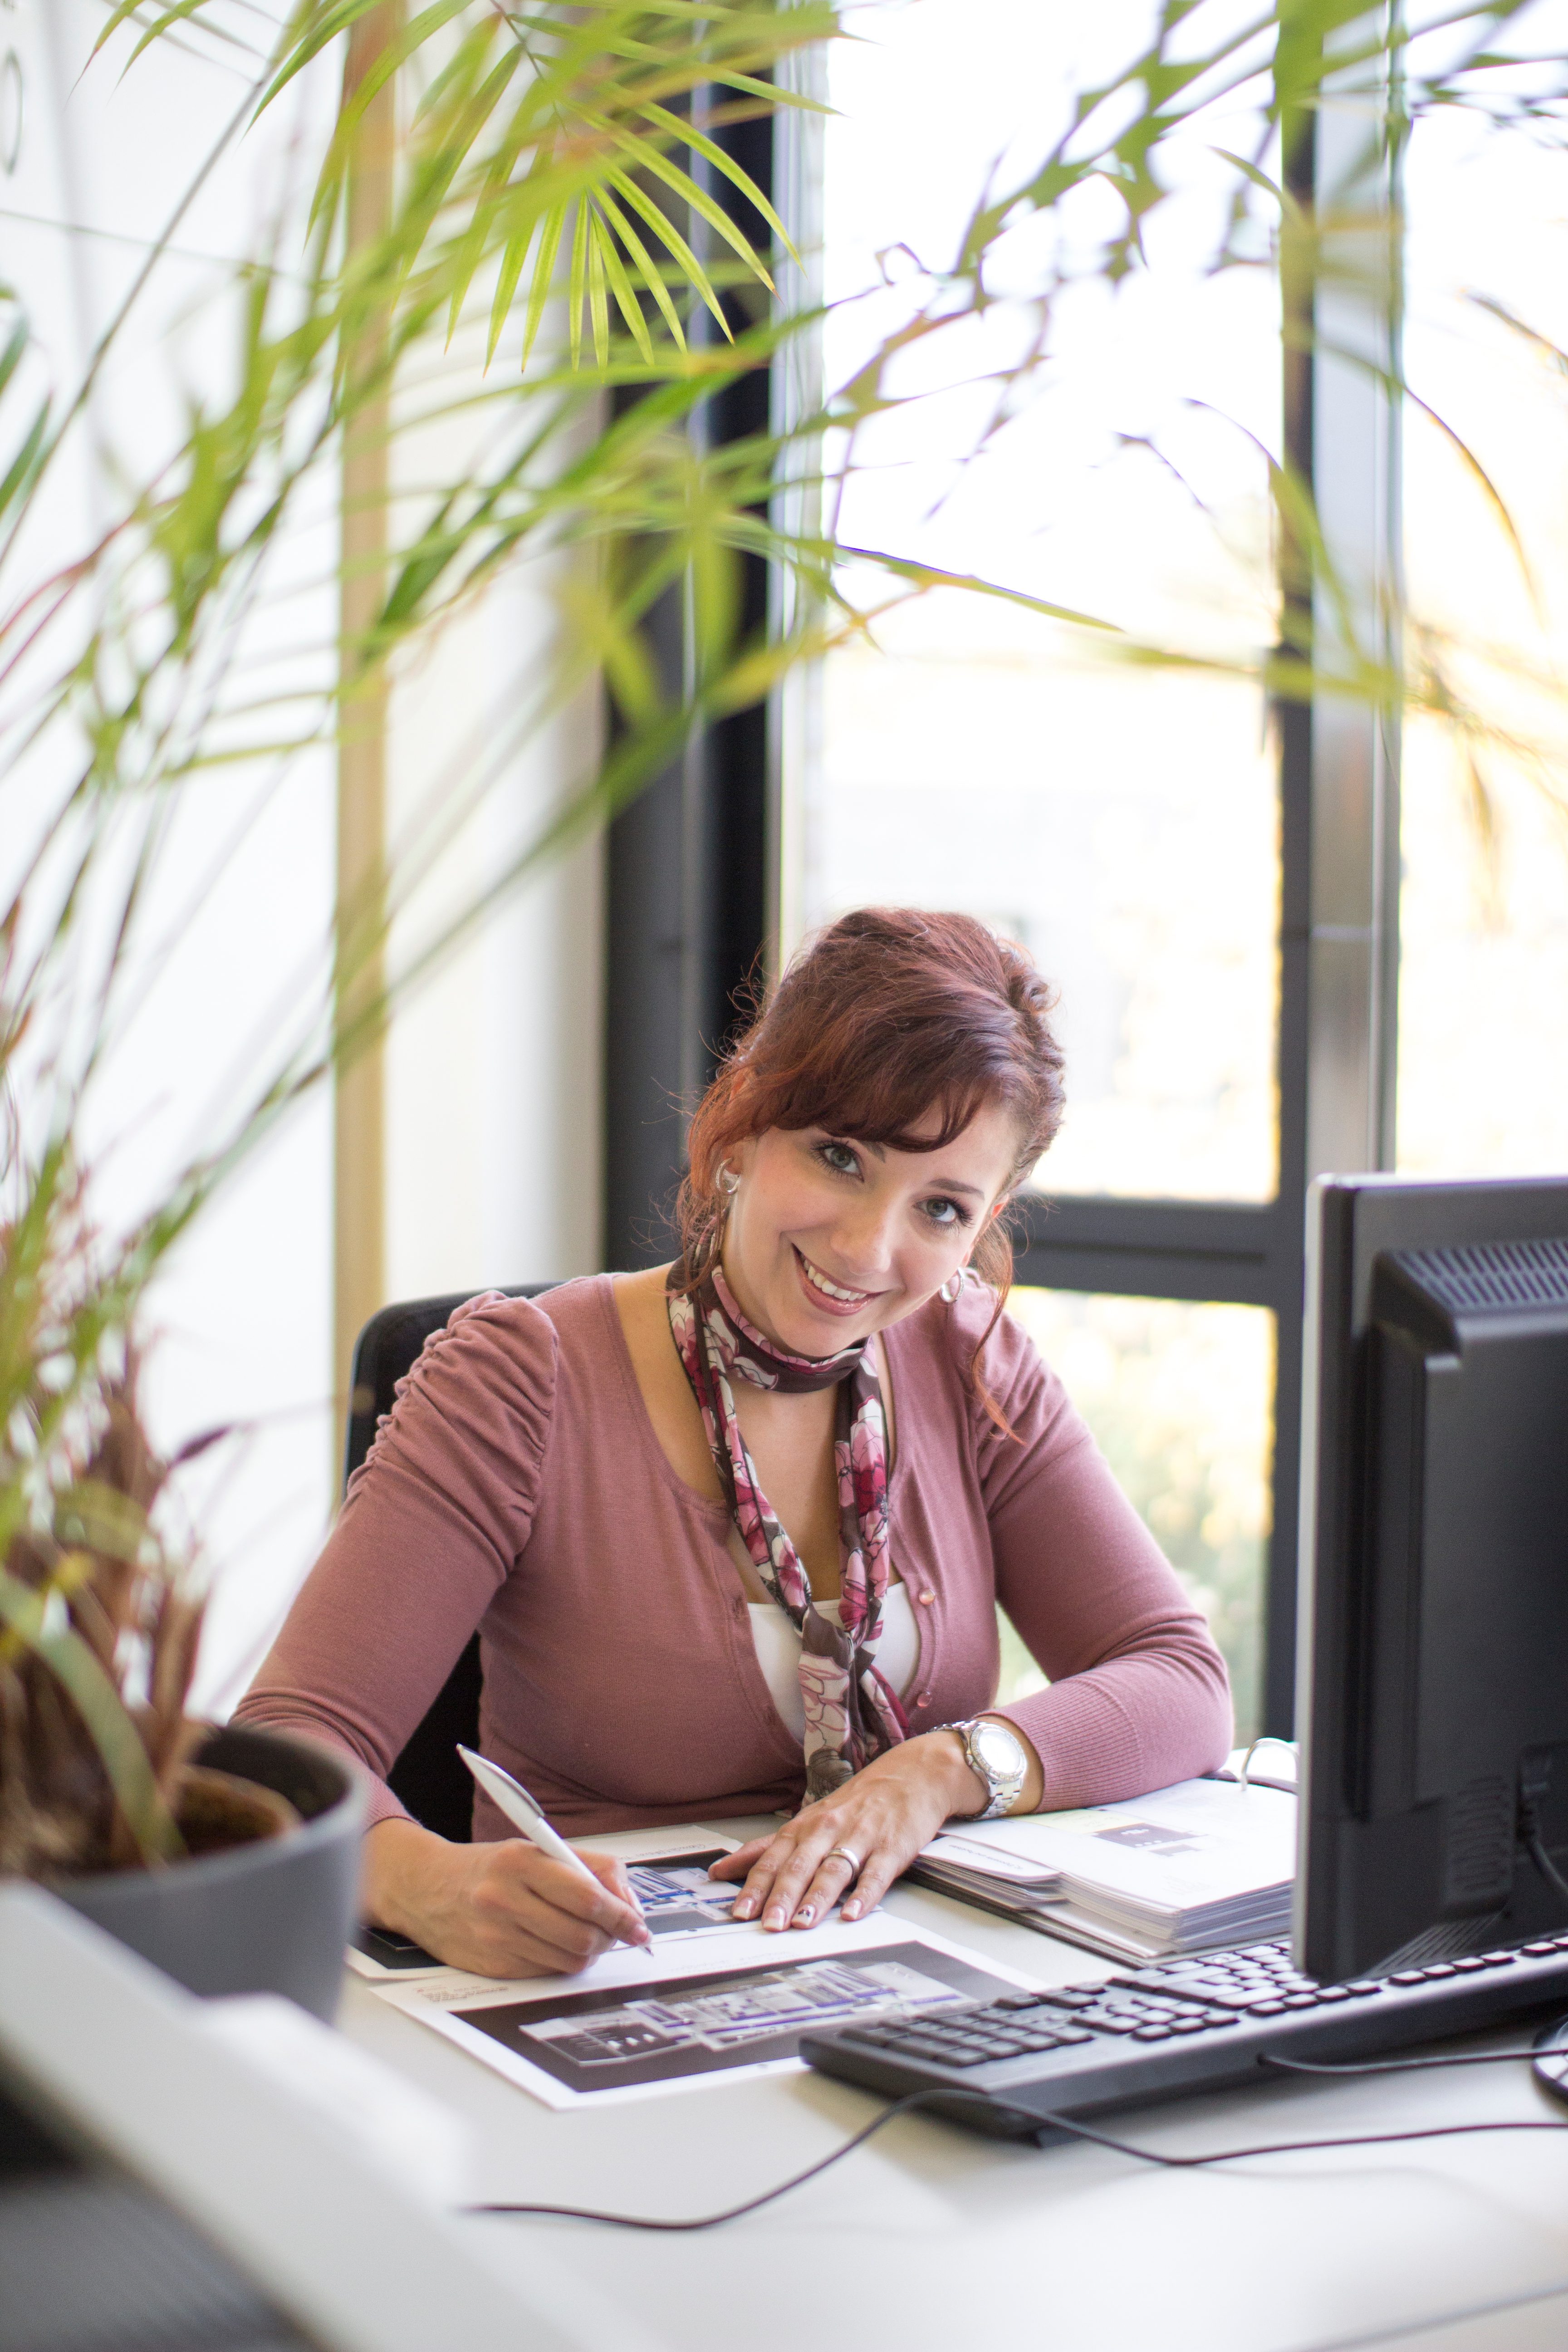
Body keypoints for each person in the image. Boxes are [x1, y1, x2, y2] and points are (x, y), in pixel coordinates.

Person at [237, 909, 1231, 1978]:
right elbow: (289, 1745)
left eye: (941, 1208)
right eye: (841, 1157)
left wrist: (937, 1773)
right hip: (600, 1985)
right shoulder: (521, 1378)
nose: (868, 1249)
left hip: (902, 1982)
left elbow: (1180, 1679)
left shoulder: (970, 1361)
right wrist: (422, 1880)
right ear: (749, 1122)